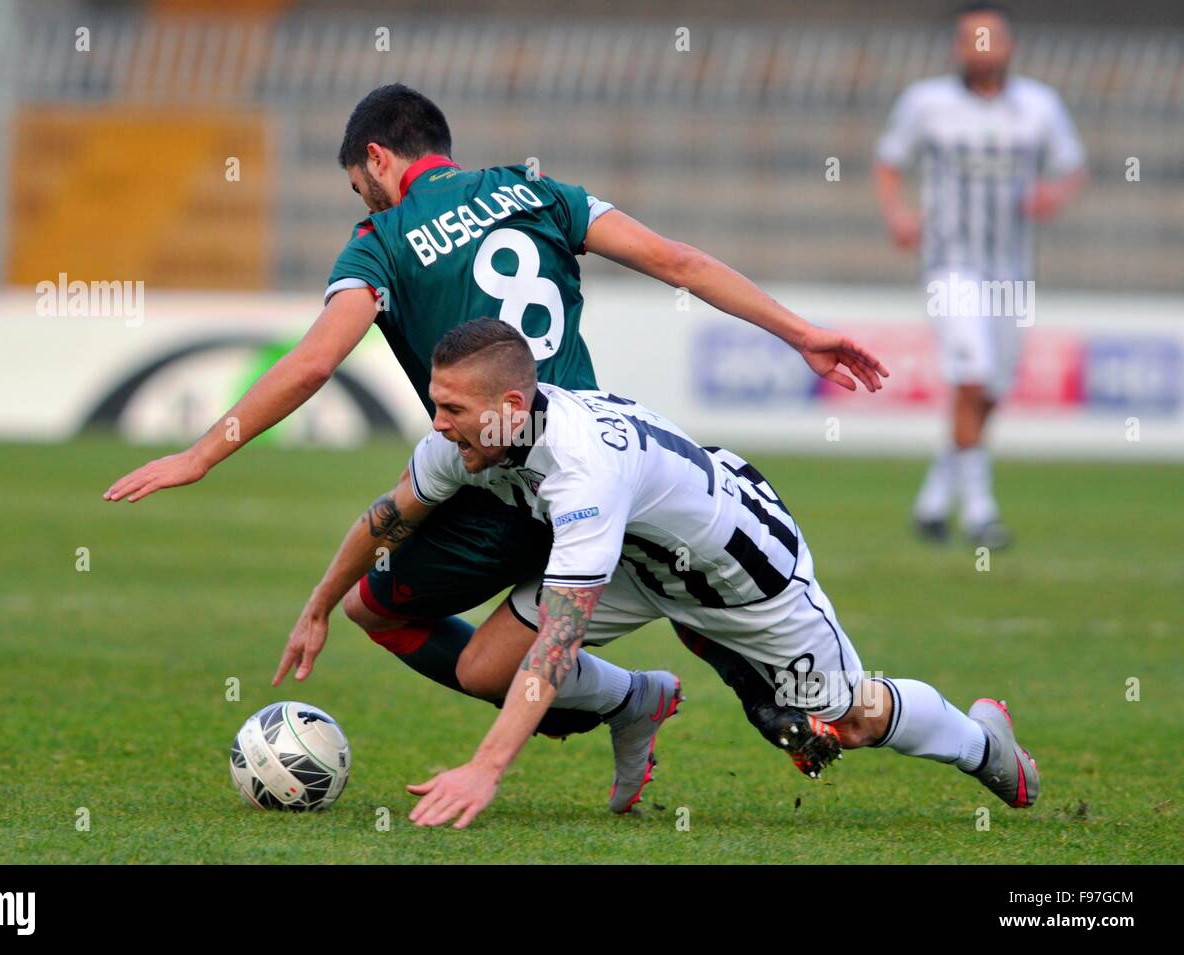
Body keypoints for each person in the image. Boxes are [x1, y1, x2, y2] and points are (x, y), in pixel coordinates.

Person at [106, 83, 887, 782]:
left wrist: (200, 453)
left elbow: (314, 363)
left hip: (507, 486)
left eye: (359, 186)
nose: (365, 202)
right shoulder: (537, 190)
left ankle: (627, 696)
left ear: (378, 158)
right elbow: (679, 261)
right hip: (603, 459)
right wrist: (801, 333)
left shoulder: (381, 241)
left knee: (377, 612)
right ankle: (698, 646)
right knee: (611, 590)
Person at [275, 319, 1038, 828]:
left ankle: (985, 744)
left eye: (450, 408)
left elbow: (556, 648)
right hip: (641, 560)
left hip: (742, 572)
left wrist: (486, 768)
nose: (437, 423)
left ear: (510, 404)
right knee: (483, 667)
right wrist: (319, 605)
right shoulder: (472, 434)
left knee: (846, 722)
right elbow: (390, 514)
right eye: (435, 405)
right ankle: (637, 699)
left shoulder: (583, 472)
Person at [874, 2, 1086, 548]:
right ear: (958, 48)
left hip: (1011, 271)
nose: (983, 48)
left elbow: (1071, 165)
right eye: (973, 38)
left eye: (992, 38)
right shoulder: (929, 103)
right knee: (971, 372)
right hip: (951, 265)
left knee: (991, 387)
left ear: (1009, 46)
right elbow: (889, 159)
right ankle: (981, 513)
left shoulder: (1039, 106)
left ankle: (933, 500)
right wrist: (897, 214)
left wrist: (1052, 194)